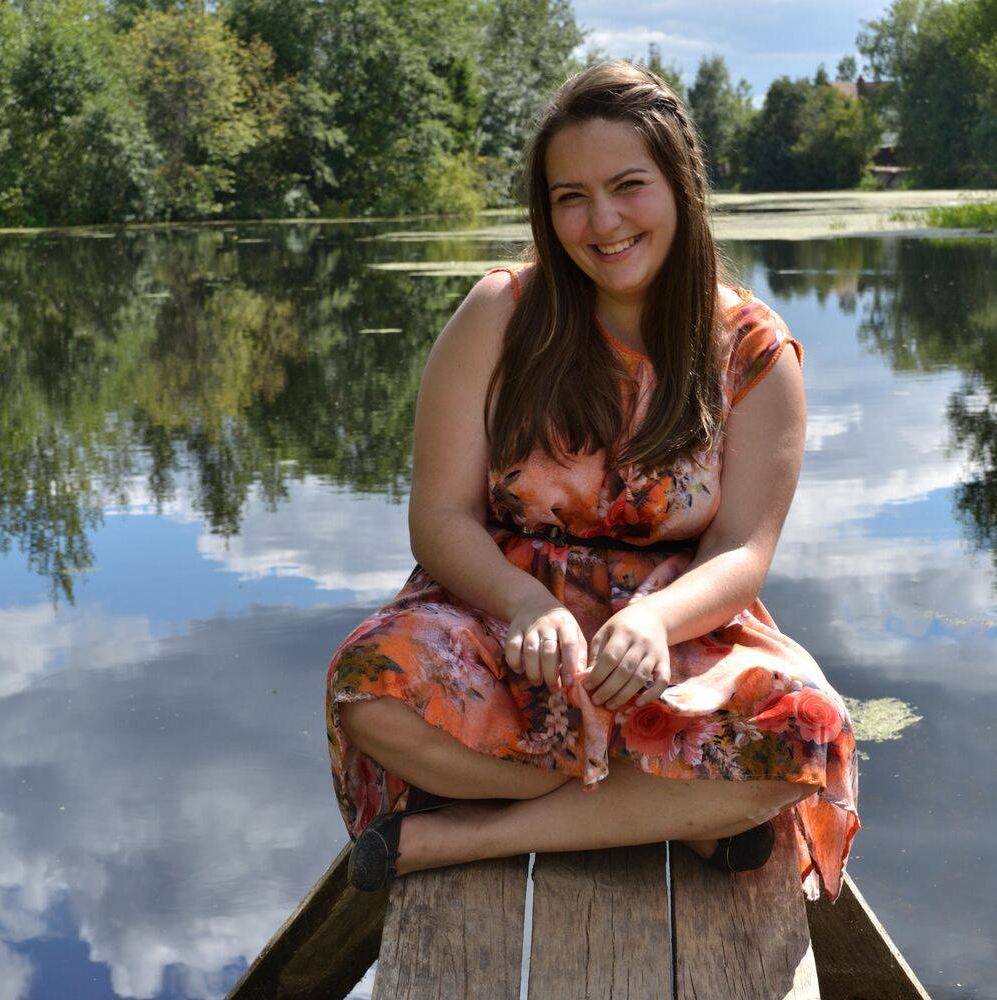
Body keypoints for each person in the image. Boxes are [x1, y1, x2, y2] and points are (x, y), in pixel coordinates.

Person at [325, 59, 858, 901]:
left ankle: (472, 836)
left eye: (628, 186)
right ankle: (673, 806)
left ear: (680, 185)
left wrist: (653, 619)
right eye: (570, 197)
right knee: (368, 689)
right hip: (500, 617)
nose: (602, 222)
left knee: (809, 735)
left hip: (675, 630)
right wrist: (524, 604)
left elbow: (743, 552)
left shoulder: (754, 350)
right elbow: (439, 518)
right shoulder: (499, 315)